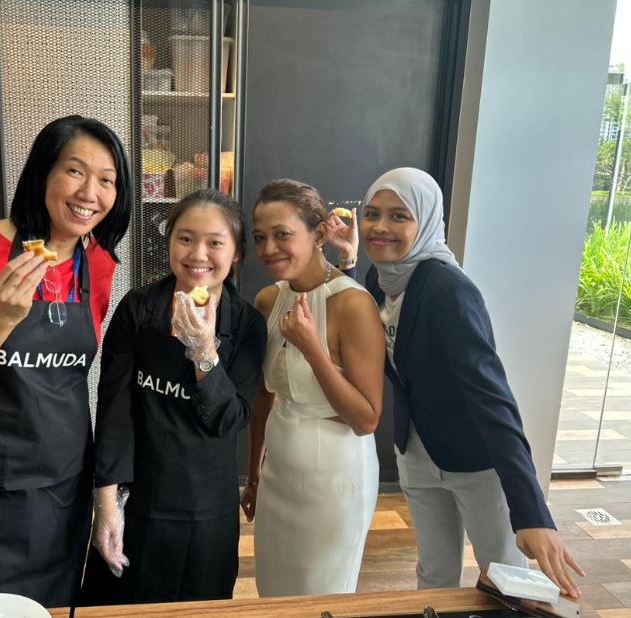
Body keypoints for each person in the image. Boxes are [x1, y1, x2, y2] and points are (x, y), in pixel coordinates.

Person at [0, 115, 132, 608]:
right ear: (42, 172)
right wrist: (4, 318)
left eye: (107, 180)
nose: (90, 193)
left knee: (53, 603)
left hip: (61, 480)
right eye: (75, 171)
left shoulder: (97, 263)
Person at [356, 167, 585, 597]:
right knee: (434, 574)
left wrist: (532, 513)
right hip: (416, 452)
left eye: (399, 216)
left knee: (506, 578)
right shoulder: (379, 280)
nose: (380, 227)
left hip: (475, 460)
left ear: (425, 221)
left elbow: (492, 399)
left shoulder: (449, 291)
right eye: (372, 214)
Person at [82, 189, 267, 604]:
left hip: (207, 510)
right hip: (139, 499)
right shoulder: (137, 309)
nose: (198, 254)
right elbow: (114, 413)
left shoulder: (247, 325)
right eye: (185, 238)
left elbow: (231, 418)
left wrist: (205, 354)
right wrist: (106, 503)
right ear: (169, 242)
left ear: (236, 253)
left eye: (215, 242)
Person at [240, 178, 385, 596]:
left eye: (282, 234)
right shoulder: (268, 300)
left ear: (319, 233)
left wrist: (313, 349)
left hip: (334, 483)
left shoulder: (353, 304)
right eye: (260, 237)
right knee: (274, 593)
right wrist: (254, 475)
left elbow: (366, 419)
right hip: (279, 475)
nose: (268, 249)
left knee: (321, 596)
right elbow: (264, 395)